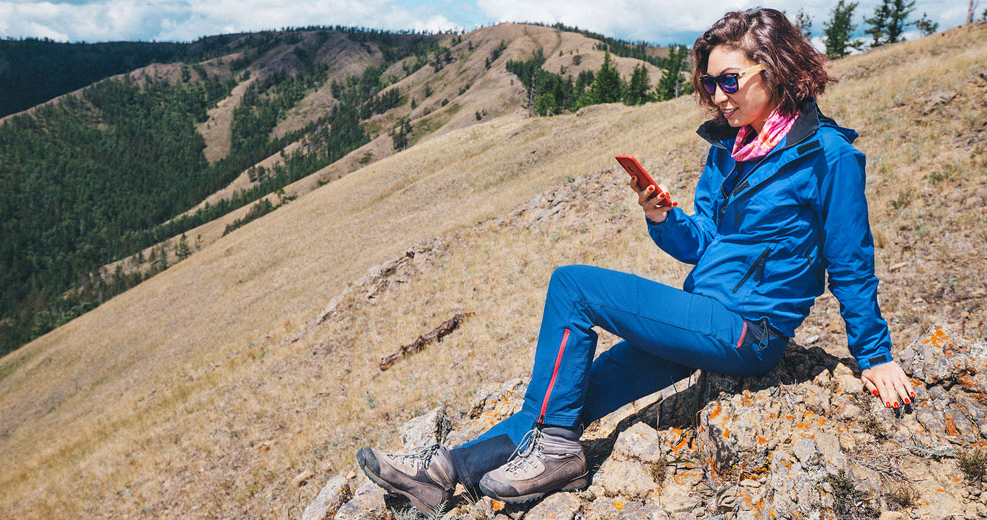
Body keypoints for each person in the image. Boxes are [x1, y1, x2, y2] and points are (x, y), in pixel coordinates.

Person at [356, 7, 915, 514]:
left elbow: (851, 263)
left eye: (730, 80)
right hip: (700, 316)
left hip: (752, 333)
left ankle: (557, 459)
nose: (719, 97)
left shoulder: (829, 157)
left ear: (773, 68)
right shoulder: (730, 147)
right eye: (708, 83)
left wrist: (875, 355)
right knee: (566, 398)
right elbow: (703, 241)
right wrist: (662, 218)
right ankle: (444, 472)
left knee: (573, 286)